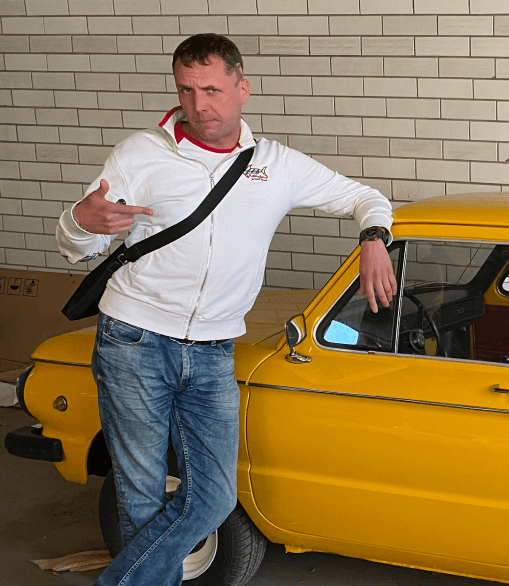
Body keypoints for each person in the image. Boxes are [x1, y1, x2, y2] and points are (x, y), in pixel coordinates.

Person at [56, 33, 396, 586]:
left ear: (243, 89)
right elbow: (82, 245)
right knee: (140, 495)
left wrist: (374, 239)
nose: (198, 105)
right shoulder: (140, 153)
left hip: (214, 349)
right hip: (134, 339)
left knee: (213, 496)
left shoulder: (277, 165)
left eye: (211, 90)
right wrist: (78, 223)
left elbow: (365, 197)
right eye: (186, 90)